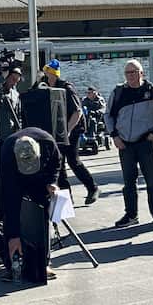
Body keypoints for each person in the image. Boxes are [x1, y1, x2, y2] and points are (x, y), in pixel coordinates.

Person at [105, 59, 153, 228]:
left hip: (145, 143)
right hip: (125, 144)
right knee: (129, 182)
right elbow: (108, 116)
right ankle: (131, 215)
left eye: (134, 72)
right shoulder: (118, 92)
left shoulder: (152, 90)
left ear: (142, 73)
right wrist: (114, 136)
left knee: (152, 181)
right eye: (128, 72)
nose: (131, 76)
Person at [0, 128, 61, 285]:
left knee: (41, 216)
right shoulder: (8, 152)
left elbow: (56, 164)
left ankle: (44, 262)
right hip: (15, 179)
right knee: (10, 213)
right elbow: (11, 200)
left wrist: (52, 183)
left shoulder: (48, 143)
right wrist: (14, 236)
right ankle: (11, 262)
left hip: (41, 177)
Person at [41, 60, 98, 204]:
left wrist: (67, 131)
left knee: (73, 161)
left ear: (53, 74)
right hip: (58, 131)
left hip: (72, 129)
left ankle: (92, 188)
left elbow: (77, 112)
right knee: (58, 165)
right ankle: (67, 200)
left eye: (48, 74)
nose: (46, 77)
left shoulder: (67, 88)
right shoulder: (46, 87)